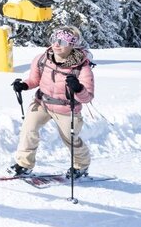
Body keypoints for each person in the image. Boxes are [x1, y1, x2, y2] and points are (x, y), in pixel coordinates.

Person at [9, 25, 95, 179]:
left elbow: (87, 97)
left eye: (62, 42)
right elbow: (35, 80)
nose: (56, 44)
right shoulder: (42, 59)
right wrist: (23, 85)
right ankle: (24, 164)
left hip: (67, 109)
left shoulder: (82, 68)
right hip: (42, 102)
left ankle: (81, 165)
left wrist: (78, 88)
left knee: (70, 138)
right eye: (54, 39)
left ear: (72, 44)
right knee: (29, 130)